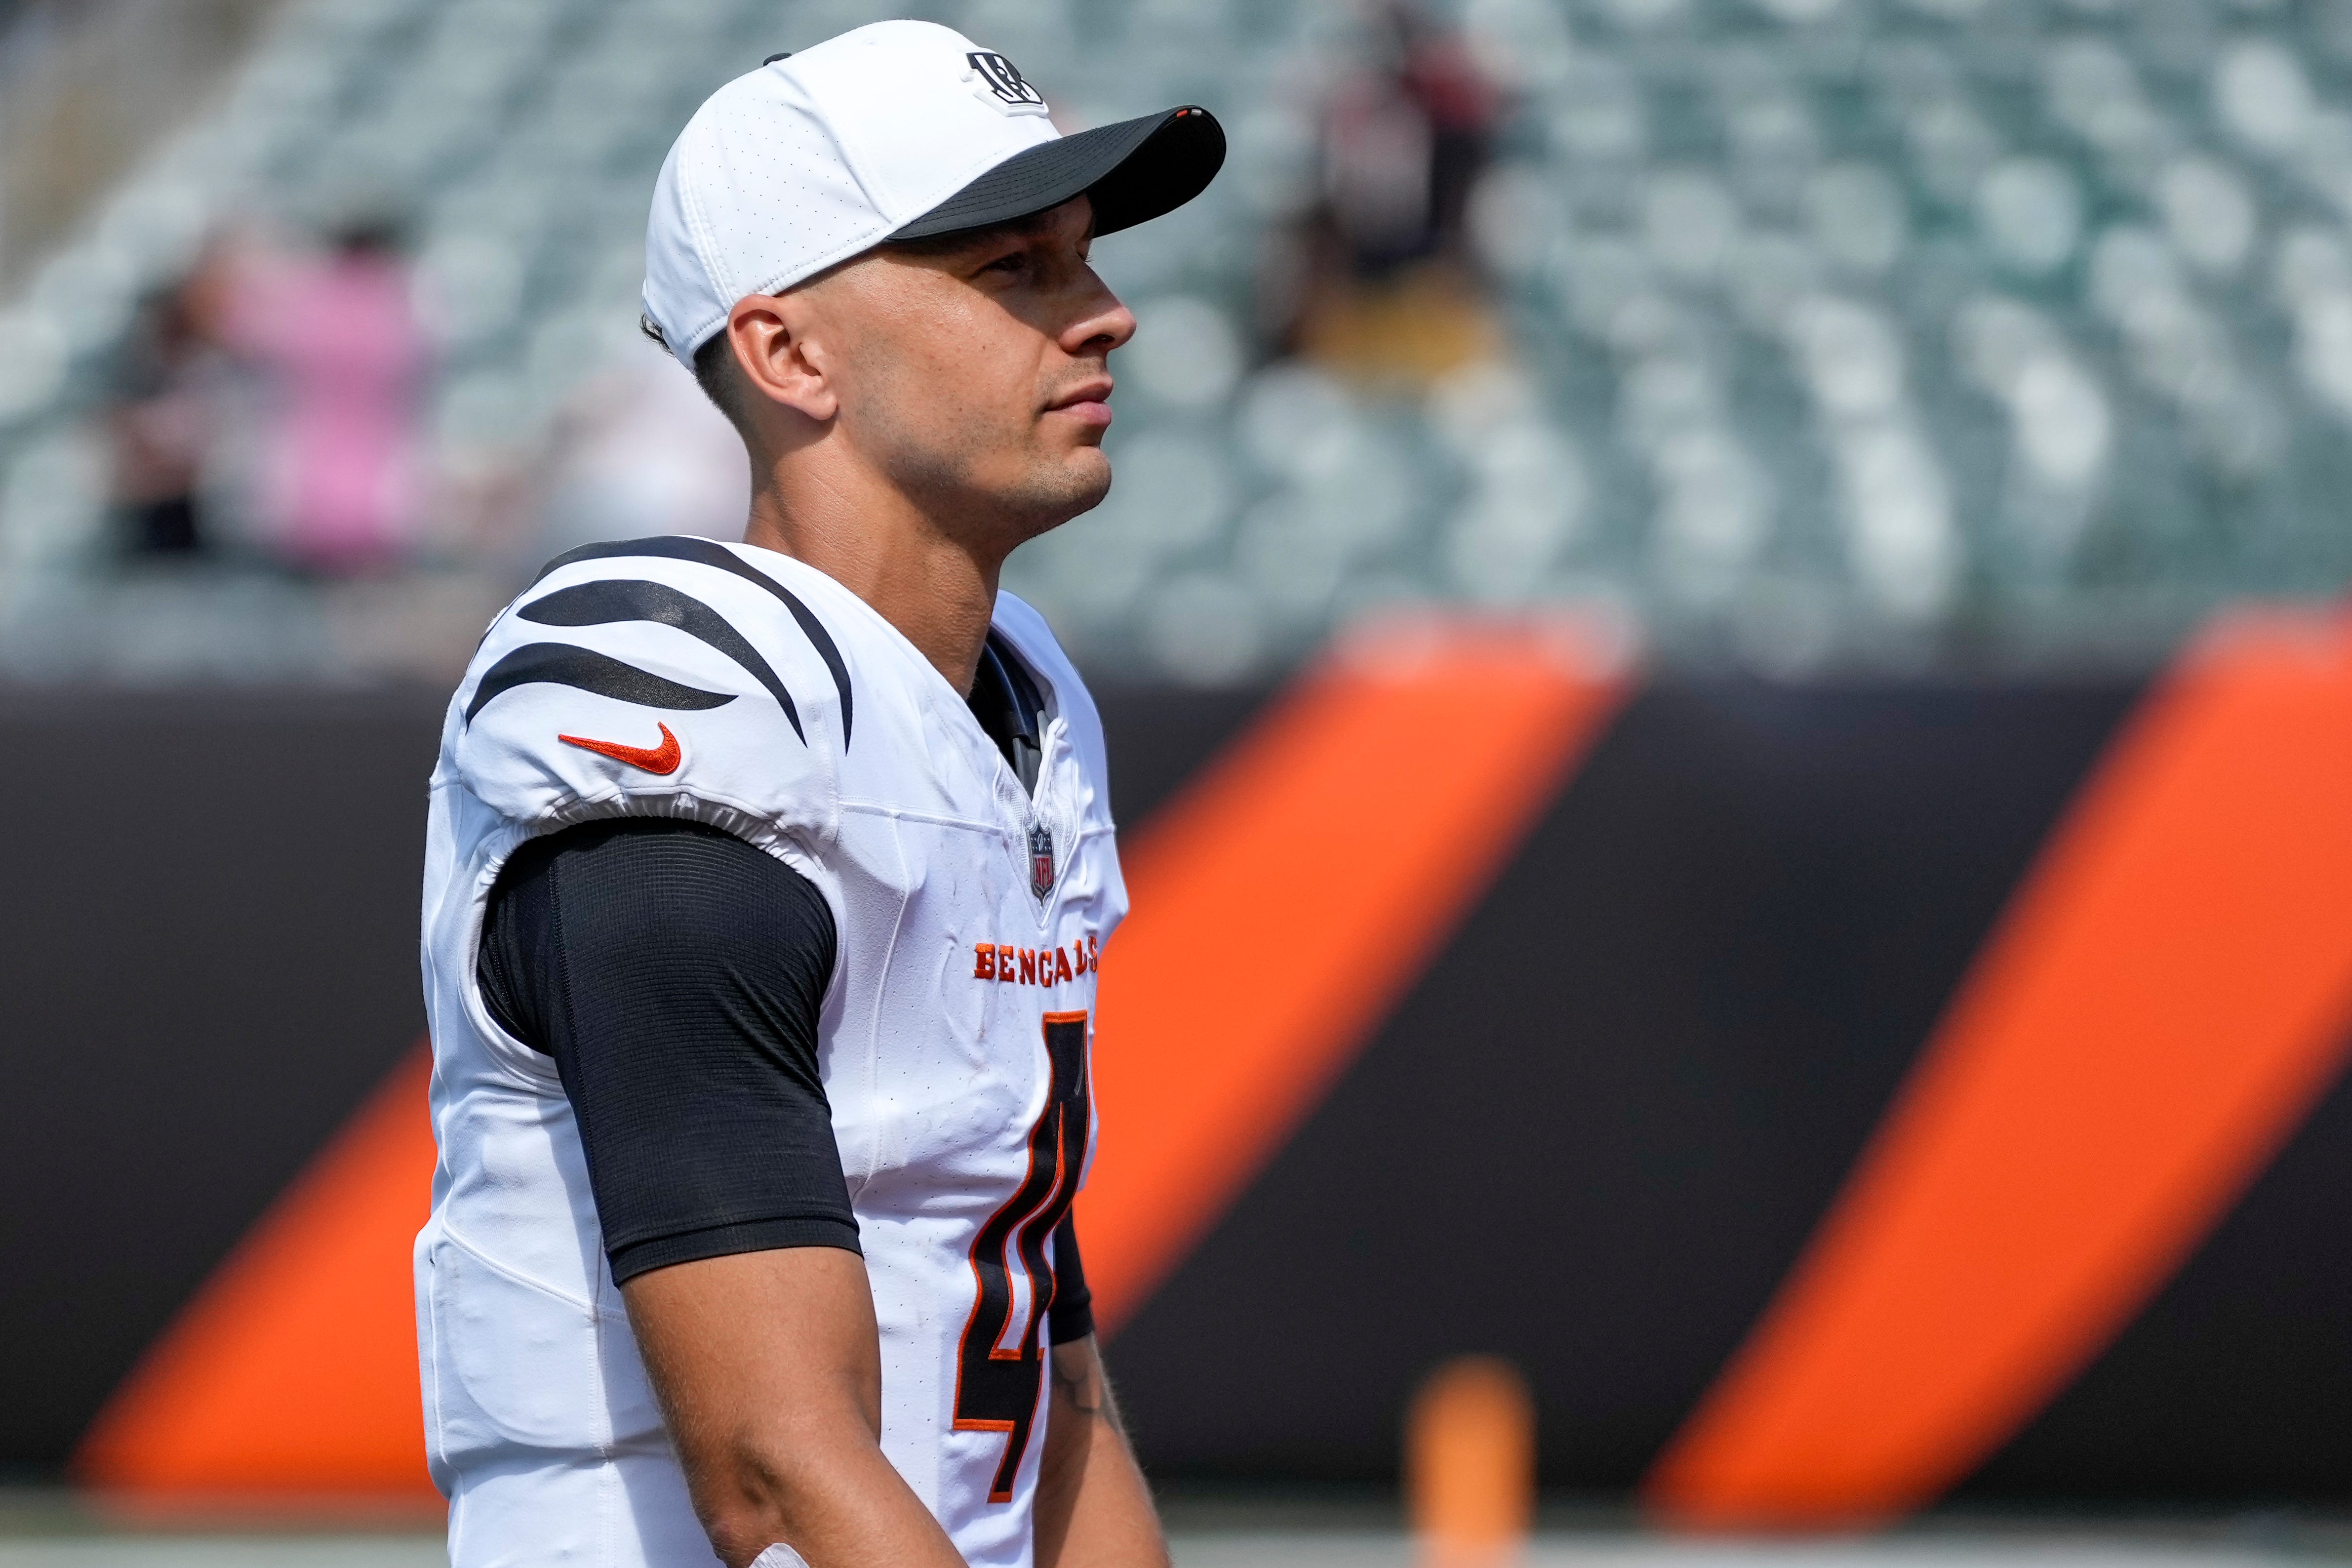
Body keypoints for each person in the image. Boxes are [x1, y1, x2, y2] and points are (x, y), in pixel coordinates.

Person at [416, 22, 1223, 1568]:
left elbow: (1041, 1337)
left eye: (1085, 257)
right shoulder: (684, 723)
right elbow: (773, 1477)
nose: (1107, 314)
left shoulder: (1016, 706)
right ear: (790, 352)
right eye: (1016, 270)